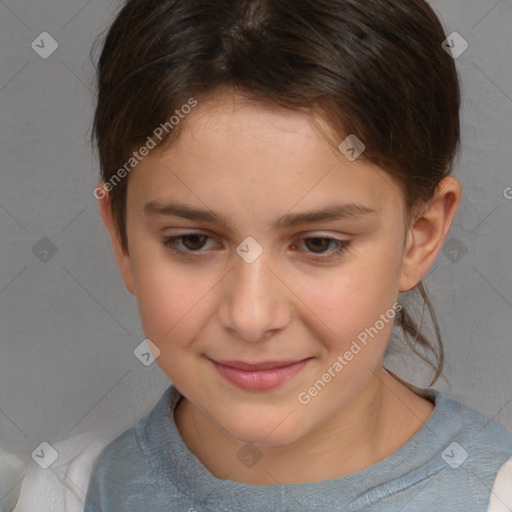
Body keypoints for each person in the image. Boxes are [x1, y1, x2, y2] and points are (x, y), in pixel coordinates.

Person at [82, 0, 512, 510]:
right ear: (122, 239)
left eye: (318, 244)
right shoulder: (63, 496)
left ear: (419, 236)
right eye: (193, 241)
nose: (251, 317)